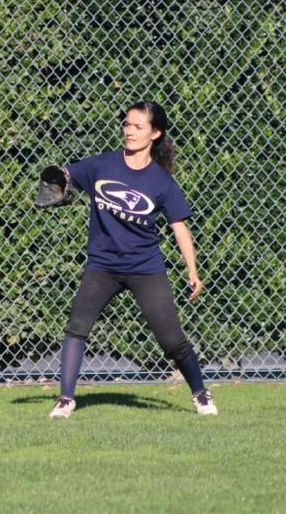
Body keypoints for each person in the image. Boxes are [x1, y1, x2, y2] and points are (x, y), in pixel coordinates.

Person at [48, 101, 218, 419]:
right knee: (76, 328)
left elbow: (179, 226)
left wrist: (192, 270)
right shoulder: (102, 165)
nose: (129, 131)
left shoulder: (161, 182)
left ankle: (200, 392)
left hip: (145, 268)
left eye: (138, 126)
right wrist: (60, 180)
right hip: (102, 265)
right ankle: (66, 399)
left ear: (155, 133)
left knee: (171, 339)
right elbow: (66, 173)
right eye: (127, 124)